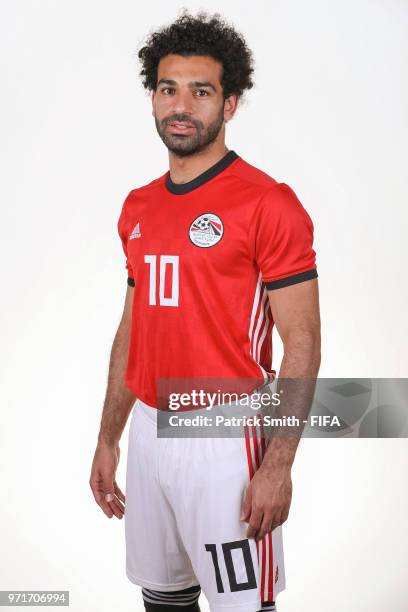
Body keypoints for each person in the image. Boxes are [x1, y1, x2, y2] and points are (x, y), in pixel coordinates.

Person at [90, 10, 321, 612]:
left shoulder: (268, 203)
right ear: (152, 99)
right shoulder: (138, 206)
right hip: (149, 430)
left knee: (240, 604)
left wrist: (278, 465)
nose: (182, 105)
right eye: (169, 89)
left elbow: (301, 342)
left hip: (227, 433)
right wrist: (109, 436)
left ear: (231, 103)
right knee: (164, 597)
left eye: (201, 90)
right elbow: (133, 326)